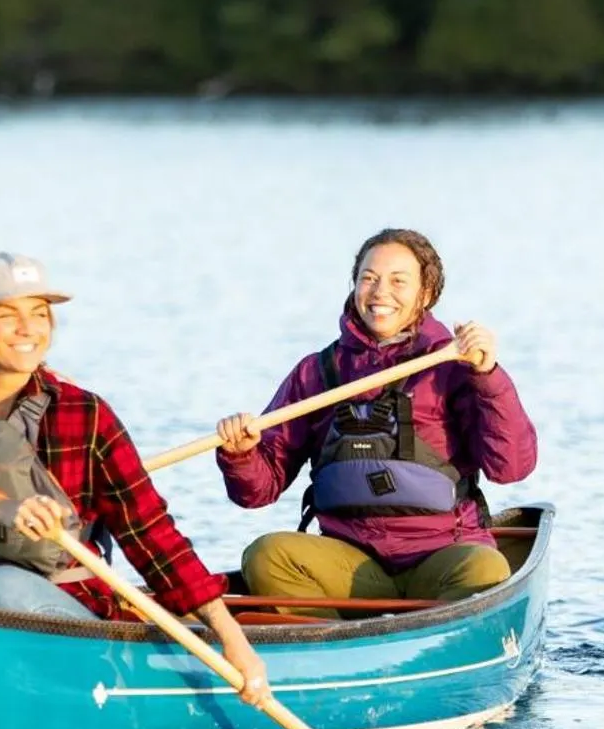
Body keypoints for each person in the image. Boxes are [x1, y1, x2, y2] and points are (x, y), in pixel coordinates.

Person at [0, 252, 270, 705]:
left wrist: (231, 637)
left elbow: (151, 533)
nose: (29, 329)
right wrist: (7, 509)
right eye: (8, 315)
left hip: (64, 610)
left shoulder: (86, 414)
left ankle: (4, 704)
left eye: (39, 315)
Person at [215, 228, 537, 617]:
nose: (380, 292)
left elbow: (512, 467)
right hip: (351, 565)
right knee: (266, 555)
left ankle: (432, 637)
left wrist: (488, 375)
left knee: (486, 568)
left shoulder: (454, 368)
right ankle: (328, 645)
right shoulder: (316, 373)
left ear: (426, 294)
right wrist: (240, 455)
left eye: (398, 281)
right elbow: (258, 492)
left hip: (441, 557)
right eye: (368, 279)